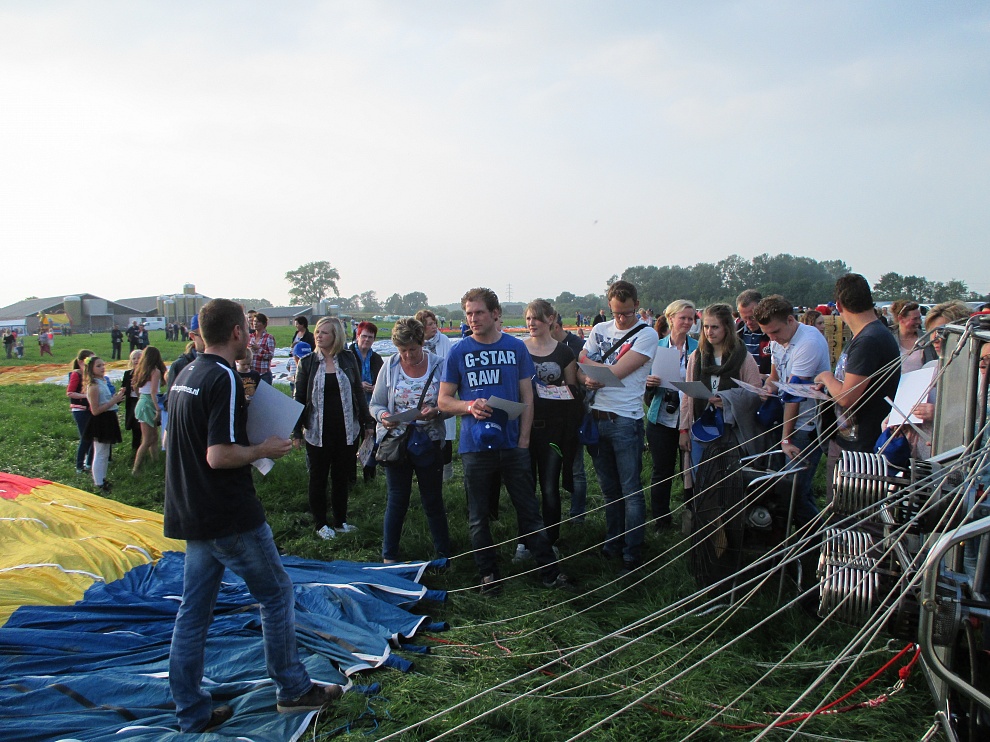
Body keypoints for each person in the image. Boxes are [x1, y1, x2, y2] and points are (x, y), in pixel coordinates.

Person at [164, 299, 342, 733]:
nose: (251, 334)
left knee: (194, 611)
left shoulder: (186, 373)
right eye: (246, 328)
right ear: (236, 333)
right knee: (277, 593)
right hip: (229, 514)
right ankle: (293, 688)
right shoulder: (222, 377)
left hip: (191, 510)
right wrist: (263, 449)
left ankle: (191, 709)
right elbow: (218, 454)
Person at [438, 287, 570, 594]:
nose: (473, 319)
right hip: (475, 446)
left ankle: (550, 572)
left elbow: (527, 396)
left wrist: (524, 440)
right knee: (478, 516)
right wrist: (468, 406)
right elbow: (444, 400)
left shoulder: (515, 348)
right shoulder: (458, 351)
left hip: (513, 445)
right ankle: (489, 575)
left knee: (529, 510)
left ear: (495, 314)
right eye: (468, 314)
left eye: (479, 312)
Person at [579, 280, 659, 572]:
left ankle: (632, 550)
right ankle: (613, 541)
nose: (622, 319)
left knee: (631, 489)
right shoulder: (600, 329)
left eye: (626, 313)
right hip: (596, 417)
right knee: (608, 489)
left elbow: (617, 372)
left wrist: (593, 371)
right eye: (616, 313)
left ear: (637, 305)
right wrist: (589, 375)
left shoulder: (647, 334)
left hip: (625, 419)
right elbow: (580, 362)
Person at [370, 318, 450, 563]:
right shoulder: (390, 366)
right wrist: (384, 417)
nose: (407, 355)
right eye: (402, 350)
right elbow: (375, 404)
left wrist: (437, 411)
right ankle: (389, 555)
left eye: (412, 349)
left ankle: (444, 554)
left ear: (421, 343)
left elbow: (451, 403)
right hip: (397, 442)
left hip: (429, 440)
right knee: (397, 499)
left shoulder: (439, 365)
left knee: (432, 499)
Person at [815, 274, 901, 502]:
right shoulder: (869, 335)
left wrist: (826, 376)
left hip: (860, 449)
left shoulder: (868, 340)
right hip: (851, 442)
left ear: (839, 306)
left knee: (848, 514)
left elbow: (847, 397)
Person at [294, 317, 375, 539]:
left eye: (324, 332)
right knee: (318, 478)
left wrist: (368, 422)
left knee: (341, 477)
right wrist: (296, 431)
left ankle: (340, 521)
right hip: (317, 431)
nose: (318, 336)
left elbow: (358, 392)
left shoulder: (348, 359)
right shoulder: (308, 362)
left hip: (346, 429)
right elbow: (299, 398)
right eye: (317, 332)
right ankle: (320, 524)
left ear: (336, 336)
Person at [755, 295, 831, 524]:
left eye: (775, 332)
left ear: (790, 320)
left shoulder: (809, 342)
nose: (772, 338)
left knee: (794, 492)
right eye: (767, 333)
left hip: (806, 425)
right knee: (795, 490)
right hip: (787, 420)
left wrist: (786, 439)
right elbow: (775, 376)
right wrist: (767, 387)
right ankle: (813, 535)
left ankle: (817, 536)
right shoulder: (778, 340)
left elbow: (794, 396)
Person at [520, 299, 580, 553]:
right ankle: (524, 541)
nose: (531, 323)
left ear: (550, 319)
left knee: (549, 487)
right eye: (528, 318)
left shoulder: (564, 353)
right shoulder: (519, 349)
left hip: (553, 428)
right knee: (524, 488)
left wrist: (558, 392)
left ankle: (550, 540)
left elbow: (574, 391)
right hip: (524, 427)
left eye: (536, 318)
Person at [679, 303, 763, 474]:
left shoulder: (743, 357)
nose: (709, 332)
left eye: (715, 327)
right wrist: (684, 430)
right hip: (700, 428)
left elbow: (756, 394)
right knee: (701, 479)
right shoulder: (697, 356)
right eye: (706, 327)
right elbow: (688, 396)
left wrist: (728, 399)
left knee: (728, 481)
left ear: (727, 328)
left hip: (732, 432)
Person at [644, 300, 698, 532]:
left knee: (691, 471)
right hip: (662, 417)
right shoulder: (656, 347)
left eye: (690, 318)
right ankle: (661, 520)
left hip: (691, 418)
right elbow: (642, 381)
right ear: (670, 318)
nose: (687, 322)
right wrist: (649, 383)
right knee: (662, 471)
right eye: (682, 317)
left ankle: (692, 518)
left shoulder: (699, 347)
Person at [550, 314, 588, 522]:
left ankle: (577, 514)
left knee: (576, 466)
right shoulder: (540, 346)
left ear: (555, 326)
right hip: (550, 413)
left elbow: (582, 376)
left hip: (572, 411)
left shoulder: (577, 345)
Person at [416, 309, 456, 481]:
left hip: (442, 391)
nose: (434, 327)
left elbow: (449, 364)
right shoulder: (417, 343)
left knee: (446, 433)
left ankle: (447, 471)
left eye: (434, 323)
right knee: (425, 432)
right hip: (423, 394)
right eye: (429, 324)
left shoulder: (444, 340)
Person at [82, 356, 125, 492]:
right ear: (91, 369)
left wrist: (117, 397)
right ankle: (98, 483)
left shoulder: (103, 382)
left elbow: (106, 401)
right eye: (98, 366)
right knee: (100, 452)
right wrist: (113, 401)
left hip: (109, 417)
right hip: (100, 420)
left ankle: (102, 478)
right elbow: (95, 410)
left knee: (105, 452)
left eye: (103, 365)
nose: (102, 368)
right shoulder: (93, 386)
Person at [131, 346, 167, 474]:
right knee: (147, 440)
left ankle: (155, 461)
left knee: (154, 436)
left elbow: (135, 388)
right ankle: (136, 468)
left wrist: (141, 398)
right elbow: (153, 392)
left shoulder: (140, 370)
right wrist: (158, 409)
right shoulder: (155, 371)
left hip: (143, 401)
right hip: (149, 403)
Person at [67, 349, 96, 474]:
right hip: (80, 410)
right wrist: (86, 396)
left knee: (93, 437)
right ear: (80, 362)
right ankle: (79, 466)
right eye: (89, 361)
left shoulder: (90, 374)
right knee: (86, 438)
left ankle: (89, 463)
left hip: (90, 409)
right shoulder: (76, 374)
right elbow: (70, 392)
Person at [890, 299, 937, 373]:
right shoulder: (889, 341)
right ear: (901, 318)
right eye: (915, 319)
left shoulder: (927, 341)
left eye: (919, 318)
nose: (919, 322)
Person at [736, 289, 772, 376]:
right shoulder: (735, 335)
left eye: (752, 317)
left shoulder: (773, 334)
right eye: (744, 318)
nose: (748, 322)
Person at [121, 349, 143, 452]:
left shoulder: (146, 373)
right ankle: (135, 448)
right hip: (132, 402)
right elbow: (124, 388)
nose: (136, 360)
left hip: (142, 400)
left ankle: (145, 447)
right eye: (134, 358)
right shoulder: (128, 374)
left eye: (139, 358)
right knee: (135, 427)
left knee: (143, 426)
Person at [248, 312, 275, 384]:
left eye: (258, 322)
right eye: (254, 321)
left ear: (264, 324)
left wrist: (258, 349)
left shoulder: (269, 337)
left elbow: (270, 356)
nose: (255, 323)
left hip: (263, 374)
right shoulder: (250, 337)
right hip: (251, 373)